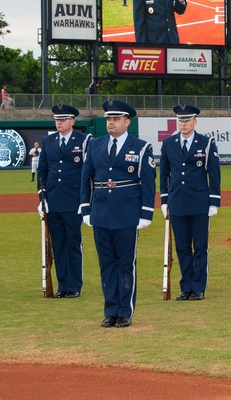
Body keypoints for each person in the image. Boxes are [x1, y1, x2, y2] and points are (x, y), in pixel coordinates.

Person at [79, 100, 156, 327]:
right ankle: (110, 310)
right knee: (106, 264)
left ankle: (125, 311)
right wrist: (85, 208)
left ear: (127, 121)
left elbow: (149, 183)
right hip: (101, 211)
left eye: (116, 119)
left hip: (127, 212)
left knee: (125, 263)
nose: (111, 123)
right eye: (109, 119)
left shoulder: (141, 147)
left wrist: (146, 213)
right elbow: (86, 178)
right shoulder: (94, 145)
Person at [159, 104, 221, 301]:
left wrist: (214, 201)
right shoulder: (168, 143)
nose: (183, 124)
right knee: (182, 247)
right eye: (180, 120)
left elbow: (214, 173)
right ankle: (186, 287)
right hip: (177, 202)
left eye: (187, 120)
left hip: (199, 202)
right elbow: (164, 174)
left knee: (200, 246)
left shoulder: (206, 142)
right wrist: (164, 199)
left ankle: (198, 287)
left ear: (195, 121)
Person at [37, 104, 92, 298]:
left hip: (73, 201)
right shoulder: (48, 141)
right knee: (57, 244)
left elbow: (88, 174)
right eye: (57, 119)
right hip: (53, 201)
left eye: (63, 119)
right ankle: (63, 285)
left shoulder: (84, 140)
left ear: (72, 121)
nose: (59, 122)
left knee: (73, 243)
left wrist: (85, 201)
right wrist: (42, 197)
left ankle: (74, 285)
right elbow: (42, 171)